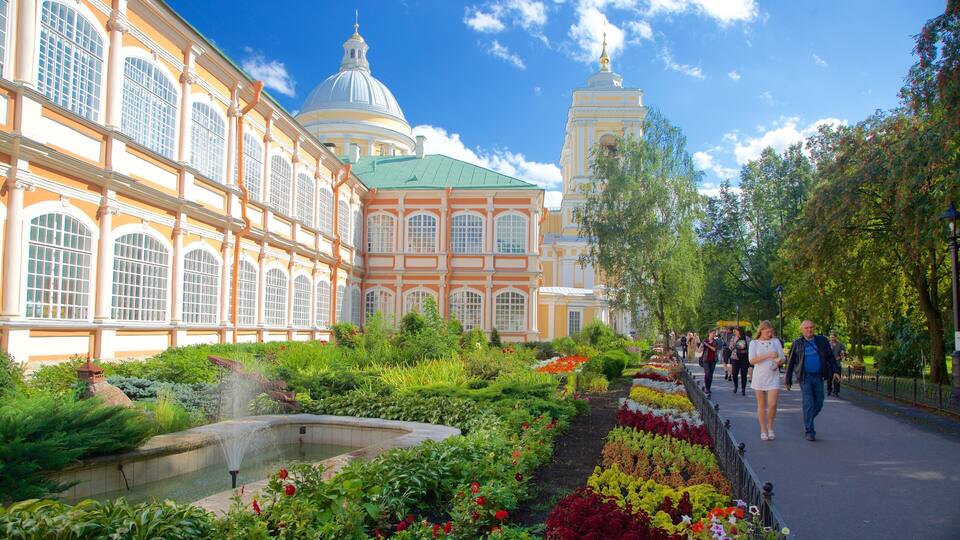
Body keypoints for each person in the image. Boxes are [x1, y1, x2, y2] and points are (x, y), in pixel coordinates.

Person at [786, 320, 840, 441]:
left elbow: (831, 358)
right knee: (809, 403)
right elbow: (790, 363)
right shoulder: (797, 343)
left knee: (819, 403)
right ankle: (810, 431)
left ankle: (808, 417)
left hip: (819, 376)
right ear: (802, 330)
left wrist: (836, 371)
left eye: (811, 327)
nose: (809, 330)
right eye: (806, 328)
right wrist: (788, 380)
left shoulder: (822, 341)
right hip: (805, 378)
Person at [749, 321, 786, 441]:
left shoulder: (775, 342)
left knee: (773, 404)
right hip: (759, 376)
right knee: (761, 404)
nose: (769, 334)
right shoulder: (754, 343)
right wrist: (768, 355)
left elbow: (782, 358)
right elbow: (752, 360)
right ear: (761, 330)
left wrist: (778, 361)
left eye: (771, 331)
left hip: (773, 375)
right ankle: (763, 429)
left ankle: (770, 426)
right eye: (767, 331)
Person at [700, 329, 723, 396]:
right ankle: (706, 388)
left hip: (713, 360)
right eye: (713, 333)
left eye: (714, 333)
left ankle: (708, 387)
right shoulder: (705, 340)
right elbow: (699, 350)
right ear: (709, 333)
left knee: (711, 374)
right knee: (707, 373)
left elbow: (714, 349)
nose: (714, 334)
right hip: (705, 359)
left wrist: (707, 345)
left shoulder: (716, 341)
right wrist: (700, 346)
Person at [729, 327, 750, 396]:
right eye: (735, 331)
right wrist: (735, 342)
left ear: (740, 331)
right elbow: (730, 348)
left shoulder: (746, 338)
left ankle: (743, 389)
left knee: (744, 374)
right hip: (735, 357)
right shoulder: (733, 338)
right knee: (734, 373)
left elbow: (750, 348)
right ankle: (736, 386)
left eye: (736, 331)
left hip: (744, 357)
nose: (735, 332)